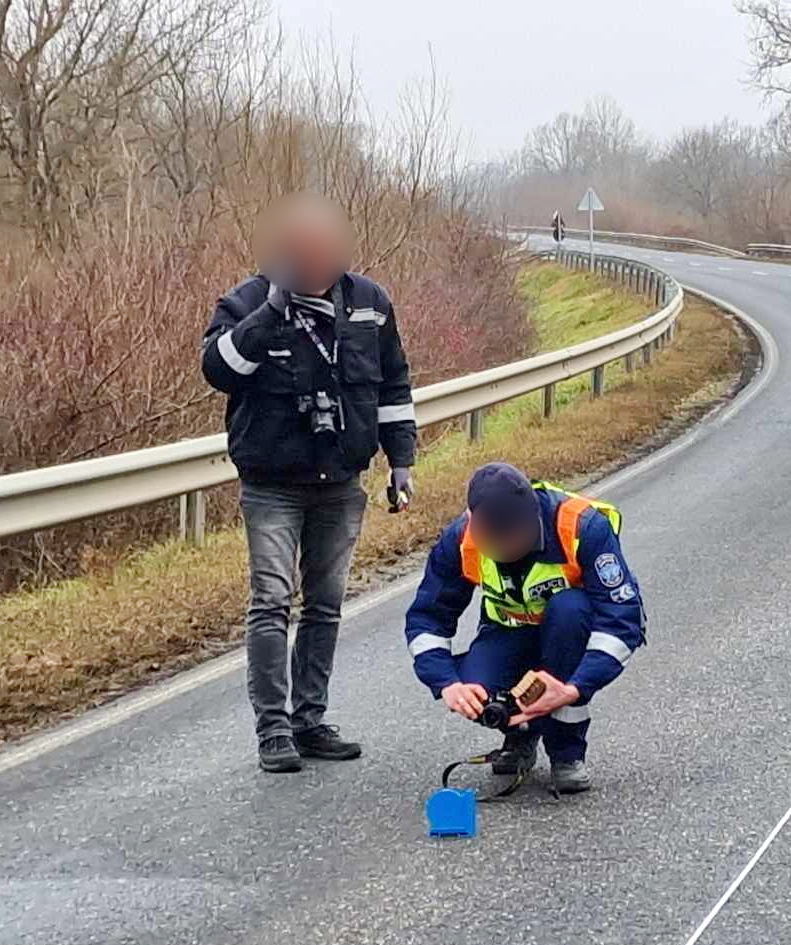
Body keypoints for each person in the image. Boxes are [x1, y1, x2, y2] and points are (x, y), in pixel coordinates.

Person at [201, 193, 419, 773]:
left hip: (342, 479)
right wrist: (269, 313)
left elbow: (393, 385)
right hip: (272, 482)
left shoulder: (369, 302)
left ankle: (310, 720)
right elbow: (218, 370)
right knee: (272, 601)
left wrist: (401, 460)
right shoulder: (247, 301)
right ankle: (273, 730)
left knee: (325, 605)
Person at [403, 463, 644, 794]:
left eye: (516, 536)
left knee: (570, 610)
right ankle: (520, 733)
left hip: (569, 631)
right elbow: (427, 619)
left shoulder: (582, 527)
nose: (507, 547)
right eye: (494, 539)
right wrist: (447, 683)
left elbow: (622, 619)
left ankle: (566, 753)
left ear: (535, 517)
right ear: (473, 523)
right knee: (475, 689)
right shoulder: (459, 540)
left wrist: (575, 687)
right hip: (507, 631)